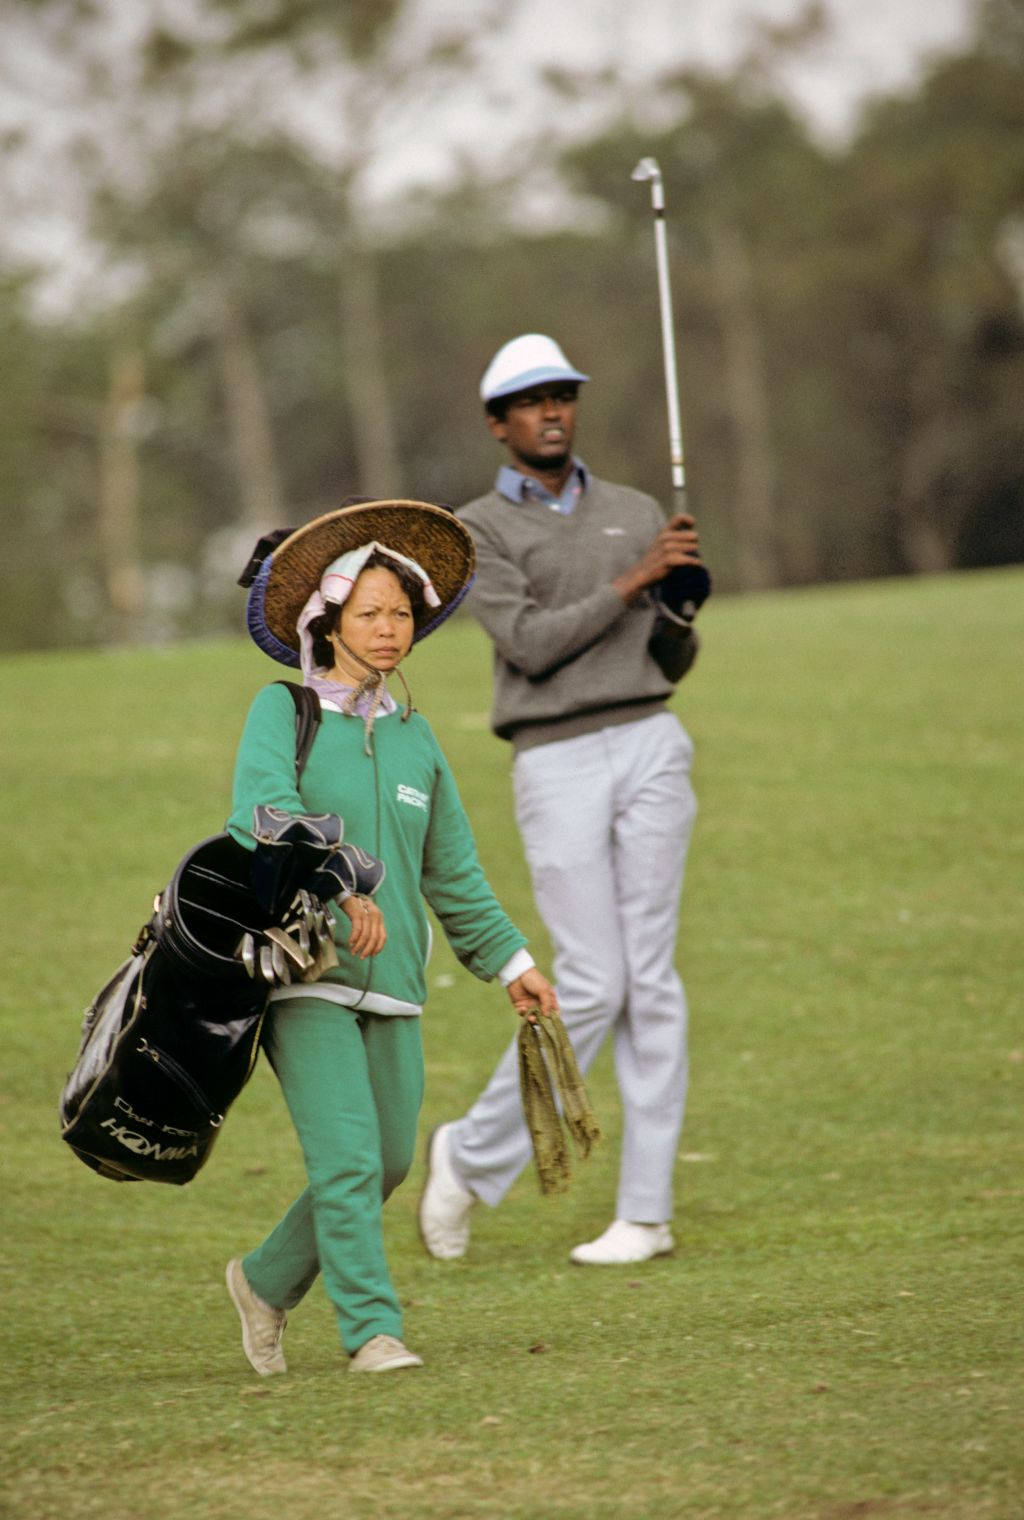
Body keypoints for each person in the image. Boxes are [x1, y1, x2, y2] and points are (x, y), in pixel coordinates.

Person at [224, 498, 558, 1375]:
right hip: (305, 970)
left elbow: (452, 873)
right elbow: (262, 816)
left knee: (388, 1165)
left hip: (398, 979)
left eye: (401, 613)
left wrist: (513, 962)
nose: (387, 628)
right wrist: (341, 877)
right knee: (346, 1158)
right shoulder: (281, 710)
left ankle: (262, 1282)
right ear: (327, 621)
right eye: (369, 612)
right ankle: (373, 1332)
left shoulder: (417, 742)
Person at [418, 333, 705, 1267]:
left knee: (652, 983)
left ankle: (647, 1215)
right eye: (532, 400)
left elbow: (667, 656)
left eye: (564, 395)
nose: (553, 411)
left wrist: (681, 606)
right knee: (590, 984)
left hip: (652, 741)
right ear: (499, 425)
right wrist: (635, 581)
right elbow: (531, 644)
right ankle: (469, 1154)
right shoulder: (475, 532)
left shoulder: (634, 509)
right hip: (557, 757)